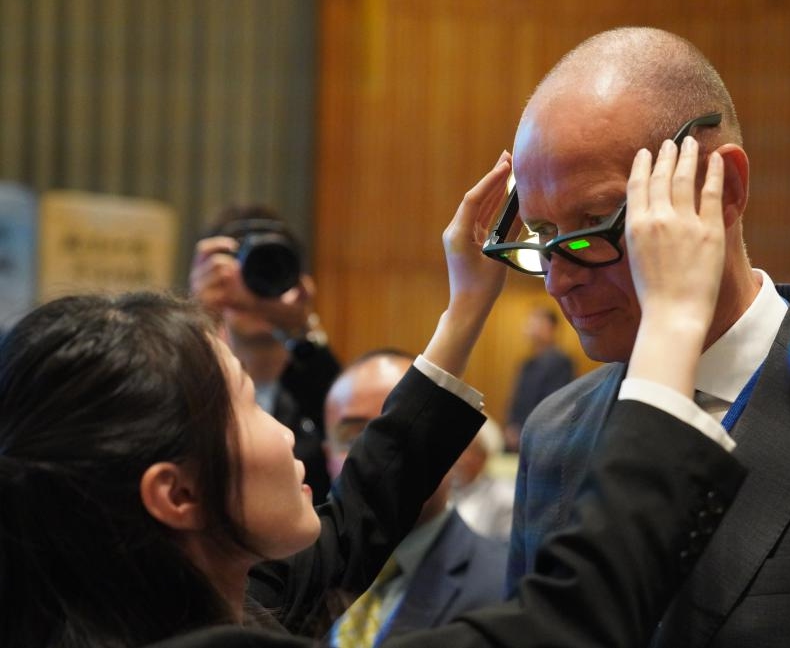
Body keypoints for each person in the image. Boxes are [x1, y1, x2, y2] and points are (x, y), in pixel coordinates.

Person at [0, 139, 745, 648]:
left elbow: (360, 514)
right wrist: (672, 322)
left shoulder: (167, 605)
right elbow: (567, 623)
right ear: (177, 493)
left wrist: (465, 307)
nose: (290, 434)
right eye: (246, 405)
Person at [493, 27, 790, 647]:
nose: (559, 280)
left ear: (726, 190)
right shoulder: (553, 433)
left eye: (594, 223)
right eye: (541, 234)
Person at [323, 349, 506, 645]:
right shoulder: (296, 578)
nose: (379, 457)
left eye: (405, 433)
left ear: (450, 448)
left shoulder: (509, 587)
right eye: (354, 437)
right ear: (327, 455)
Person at [190, 204, 341, 503]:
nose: (254, 284)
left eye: (270, 267)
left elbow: (350, 439)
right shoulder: (190, 380)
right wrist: (194, 318)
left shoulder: (319, 384)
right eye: (241, 269)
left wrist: (302, 331)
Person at [504, 307, 574, 451]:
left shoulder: (560, 362)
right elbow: (517, 401)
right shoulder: (527, 363)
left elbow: (554, 404)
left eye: (536, 321)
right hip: (517, 435)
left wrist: (524, 430)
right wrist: (511, 426)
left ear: (550, 327)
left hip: (541, 437)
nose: (529, 326)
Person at [450, 415, 516, 543]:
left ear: (484, 457)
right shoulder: (443, 488)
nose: (458, 456)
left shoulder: (504, 497)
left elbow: (502, 547)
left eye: (467, 449)